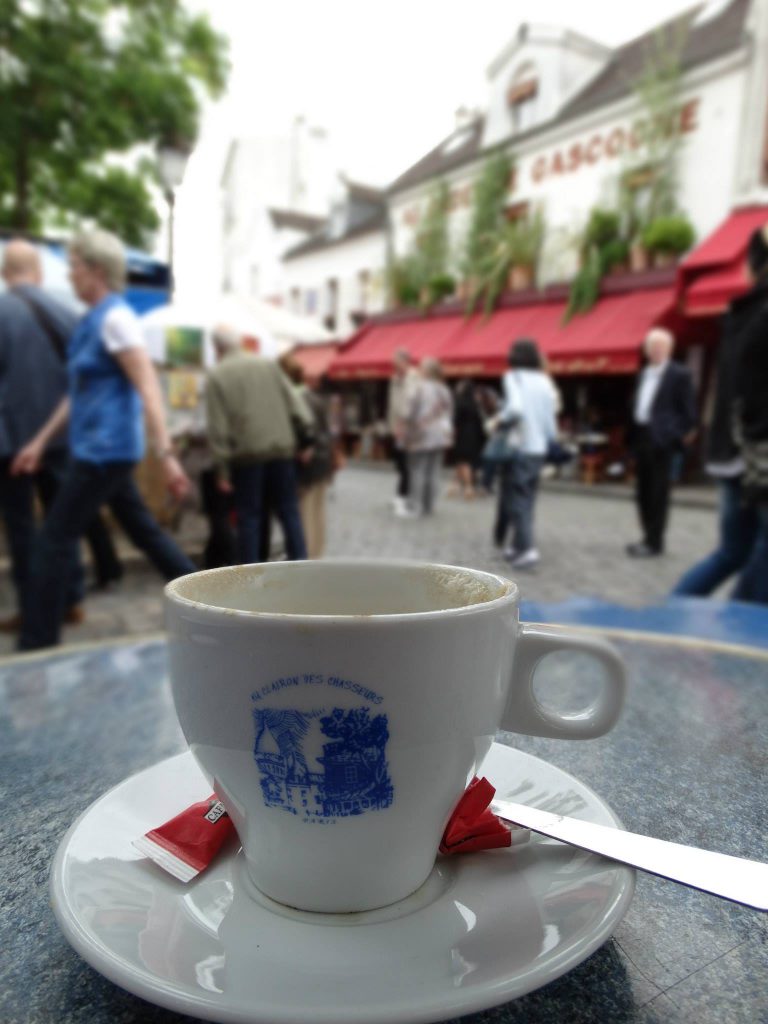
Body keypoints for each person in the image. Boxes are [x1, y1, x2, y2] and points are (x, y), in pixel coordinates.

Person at [12, 229, 195, 650]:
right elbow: (74, 399)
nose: (70, 273)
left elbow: (148, 386)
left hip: (104, 453)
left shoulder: (117, 318)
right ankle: (206, 598)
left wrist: (166, 455)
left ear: (95, 270)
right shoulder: (90, 321)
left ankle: (36, 645)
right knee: (145, 533)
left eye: (74, 265)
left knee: (52, 541)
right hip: (100, 451)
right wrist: (38, 443)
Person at [0, 239, 122, 634]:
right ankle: (69, 600)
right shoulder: (71, 316)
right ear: (37, 271)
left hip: (12, 439)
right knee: (63, 522)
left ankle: (34, 609)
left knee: (23, 530)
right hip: (64, 437)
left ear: (5, 273)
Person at [671, 226, 768, 598]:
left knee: (733, 551)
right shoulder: (758, 312)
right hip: (755, 454)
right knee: (755, 553)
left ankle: (673, 611)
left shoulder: (741, 311)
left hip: (732, 449)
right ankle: (737, 628)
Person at [206, 326, 312, 563]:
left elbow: (218, 427)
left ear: (217, 348)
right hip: (281, 450)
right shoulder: (267, 365)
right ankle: (301, 563)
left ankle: (251, 575)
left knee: (249, 518)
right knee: (289, 512)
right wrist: (306, 436)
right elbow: (294, 402)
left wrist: (221, 470)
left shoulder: (217, 375)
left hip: (248, 456)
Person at [627, 328, 696, 558]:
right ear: (646, 350)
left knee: (658, 493)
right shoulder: (643, 373)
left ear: (669, 349)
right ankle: (646, 537)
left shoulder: (680, 374)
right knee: (642, 491)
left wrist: (672, 434)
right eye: (652, 347)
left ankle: (655, 542)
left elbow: (689, 414)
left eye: (660, 347)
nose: (655, 351)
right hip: (641, 436)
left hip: (661, 440)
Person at [728, 224, 768, 603]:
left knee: (740, 549)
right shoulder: (758, 311)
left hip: (750, 446)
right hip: (759, 447)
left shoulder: (749, 309)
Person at [496, 338, 557, 569]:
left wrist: (498, 420)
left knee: (516, 499)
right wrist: (550, 440)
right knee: (528, 499)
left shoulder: (513, 377)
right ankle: (518, 545)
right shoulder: (543, 380)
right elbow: (550, 420)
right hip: (539, 448)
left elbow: (515, 409)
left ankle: (528, 549)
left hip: (520, 446)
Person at [280, 356, 334, 559]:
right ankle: (317, 552)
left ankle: (307, 557)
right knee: (317, 510)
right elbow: (327, 433)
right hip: (322, 460)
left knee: (304, 513)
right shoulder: (315, 397)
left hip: (305, 463)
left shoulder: (292, 400)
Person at [403, 357, 453, 517]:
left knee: (418, 470)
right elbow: (450, 413)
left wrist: (407, 429)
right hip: (441, 435)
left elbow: (409, 412)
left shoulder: (419, 388)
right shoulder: (445, 390)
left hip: (421, 433)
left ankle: (416, 506)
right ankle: (429, 506)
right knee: (434, 471)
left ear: (425, 371)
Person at [386, 347, 417, 516]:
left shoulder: (413, 378)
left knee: (407, 465)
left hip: (408, 429)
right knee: (399, 464)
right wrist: (392, 426)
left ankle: (402, 498)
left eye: (397, 362)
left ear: (406, 362)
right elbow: (392, 405)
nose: (394, 366)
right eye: (393, 363)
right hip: (396, 428)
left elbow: (410, 404)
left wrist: (403, 423)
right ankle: (404, 496)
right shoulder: (394, 379)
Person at [450, 379, 485, 499]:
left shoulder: (459, 402)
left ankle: (468, 487)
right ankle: (455, 485)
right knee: (462, 461)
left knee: (463, 461)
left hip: (462, 434)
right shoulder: (475, 403)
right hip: (474, 434)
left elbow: (455, 420)